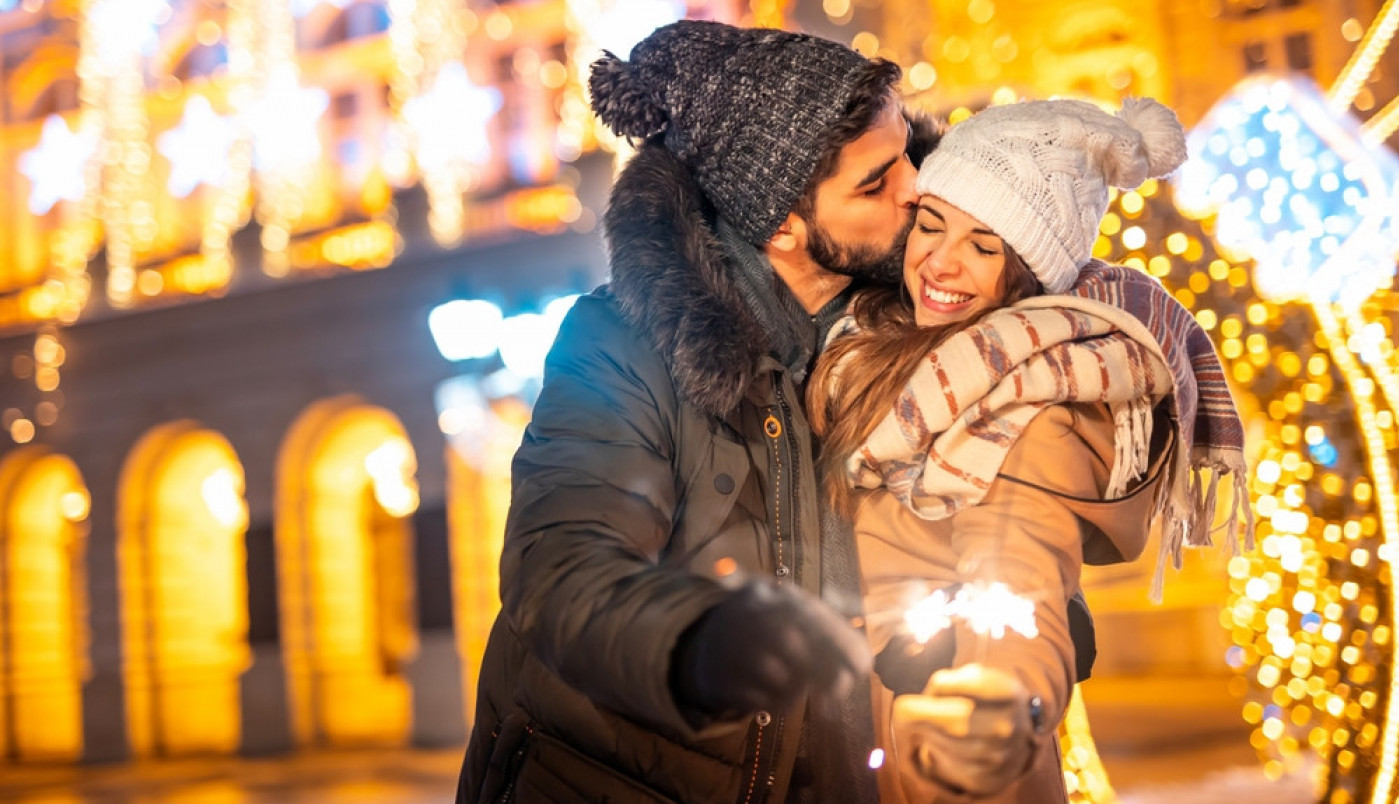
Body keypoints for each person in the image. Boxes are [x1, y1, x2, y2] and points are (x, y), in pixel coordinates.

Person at [455, 20, 939, 804]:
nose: (914, 188)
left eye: (906, 158)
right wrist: (698, 644)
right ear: (782, 226)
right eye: (874, 181)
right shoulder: (619, 346)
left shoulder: (901, 332)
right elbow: (561, 572)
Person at [808, 97, 1253, 803]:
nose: (940, 263)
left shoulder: (1032, 408)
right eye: (930, 225)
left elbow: (1022, 584)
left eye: (984, 248)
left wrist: (1001, 702)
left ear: (1029, 276)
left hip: (938, 764)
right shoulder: (882, 353)